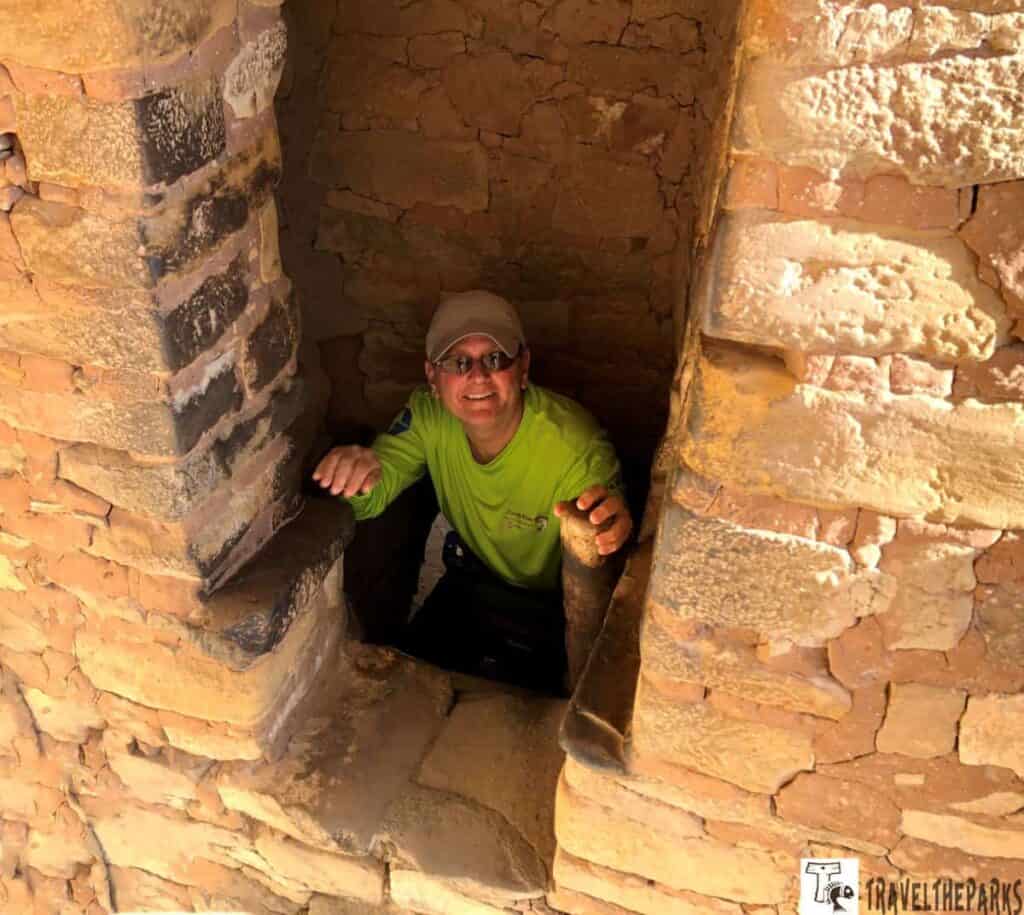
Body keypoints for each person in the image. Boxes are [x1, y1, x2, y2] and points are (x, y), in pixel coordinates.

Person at [312, 290, 632, 693]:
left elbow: (606, 536)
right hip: (476, 581)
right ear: (433, 377)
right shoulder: (429, 418)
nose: (478, 376)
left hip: (552, 606)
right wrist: (351, 474)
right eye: (459, 362)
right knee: (399, 692)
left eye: (495, 359)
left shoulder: (573, 447)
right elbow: (373, 493)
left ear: (523, 368)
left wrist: (614, 529)